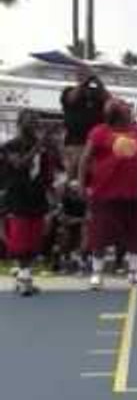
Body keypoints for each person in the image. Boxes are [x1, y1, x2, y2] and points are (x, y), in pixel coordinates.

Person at [78, 98, 137, 289]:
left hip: (133, 193)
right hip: (104, 193)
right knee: (100, 235)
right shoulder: (99, 132)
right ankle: (97, 273)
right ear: (117, 114)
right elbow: (84, 160)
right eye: (127, 110)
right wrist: (81, 185)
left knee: (136, 234)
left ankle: (135, 272)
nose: (130, 112)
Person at [1, 111, 57, 295]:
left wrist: (50, 146)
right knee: (21, 239)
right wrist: (39, 146)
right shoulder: (10, 146)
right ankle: (24, 278)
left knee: (34, 239)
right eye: (30, 121)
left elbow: (48, 171)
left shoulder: (42, 147)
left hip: (37, 195)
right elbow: (19, 165)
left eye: (36, 122)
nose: (34, 124)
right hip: (18, 195)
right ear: (20, 124)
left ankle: (23, 276)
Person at [60, 67, 109, 178]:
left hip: (95, 143)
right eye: (81, 74)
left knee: (94, 175)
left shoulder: (97, 93)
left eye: (87, 74)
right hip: (75, 142)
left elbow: (110, 100)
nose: (85, 77)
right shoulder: (68, 91)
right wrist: (83, 82)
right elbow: (71, 99)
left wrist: (98, 81)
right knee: (74, 175)